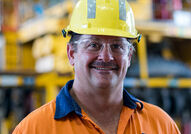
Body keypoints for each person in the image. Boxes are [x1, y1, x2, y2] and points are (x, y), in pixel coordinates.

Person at [13, 0, 181, 133]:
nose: (106, 57)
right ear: (72, 54)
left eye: (117, 46)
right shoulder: (34, 129)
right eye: (93, 45)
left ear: (129, 56)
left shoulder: (161, 126)